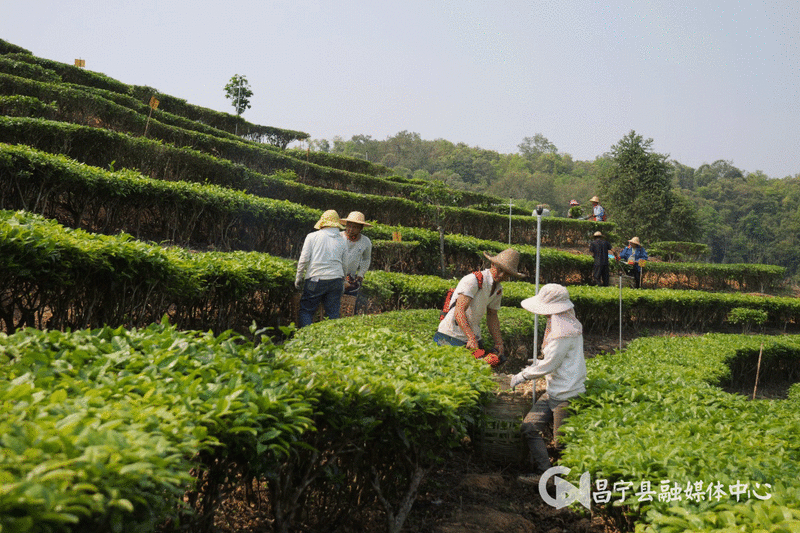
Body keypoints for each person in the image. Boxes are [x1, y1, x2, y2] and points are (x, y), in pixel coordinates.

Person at [510, 284, 586, 486]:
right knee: (529, 427)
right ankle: (546, 472)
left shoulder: (564, 332)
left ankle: (562, 484)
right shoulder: (562, 324)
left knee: (561, 445)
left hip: (566, 395)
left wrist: (524, 375)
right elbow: (551, 361)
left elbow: (551, 362)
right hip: (554, 391)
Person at [433, 248, 525, 360]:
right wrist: (471, 337)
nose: (501, 275)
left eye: (507, 273)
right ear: (492, 264)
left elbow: (492, 315)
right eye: (500, 270)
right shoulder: (474, 280)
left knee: (483, 366)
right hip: (451, 334)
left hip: (472, 335)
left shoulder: (498, 289)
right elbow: (459, 311)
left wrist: (499, 342)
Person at [295, 209, 347, 328]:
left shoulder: (312, 236)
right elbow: (345, 264)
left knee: (307, 310)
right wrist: (343, 281)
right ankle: (332, 342)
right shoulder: (342, 240)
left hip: (315, 281)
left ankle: (306, 339)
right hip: (336, 281)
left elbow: (304, 259)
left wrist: (298, 278)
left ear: (322, 223)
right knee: (333, 314)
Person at [339, 211, 372, 299]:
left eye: (355, 227)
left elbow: (366, 259)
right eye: (349, 226)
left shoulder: (366, 241)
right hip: (336, 276)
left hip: (351, 278)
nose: (351, 229)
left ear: (361, 228)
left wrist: (360, 275)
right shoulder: (338, 237)